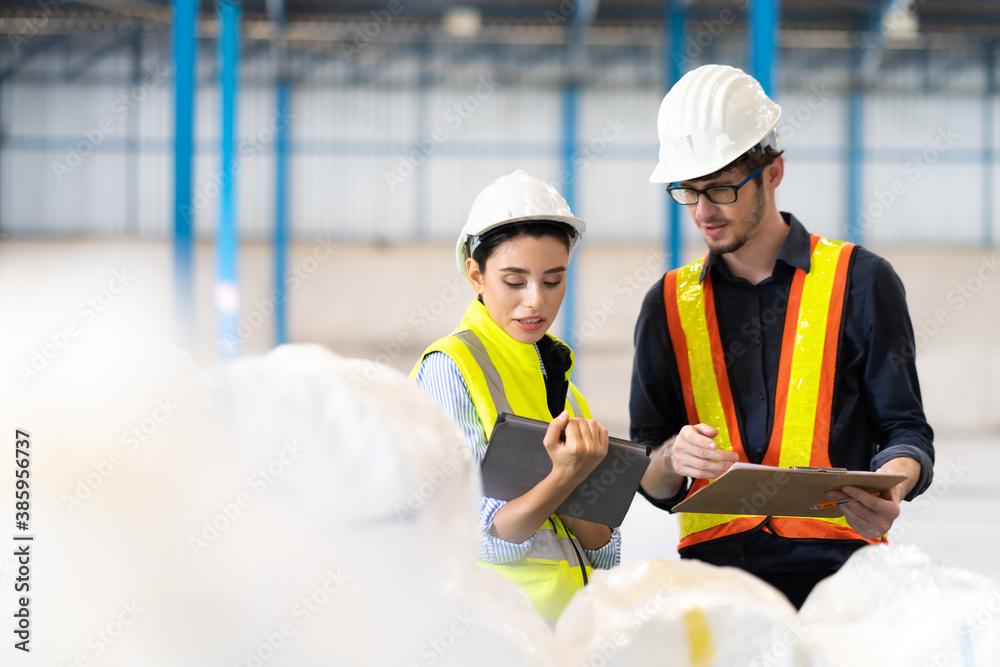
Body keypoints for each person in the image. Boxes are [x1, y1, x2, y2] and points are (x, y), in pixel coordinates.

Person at [631, 64, 934, 608]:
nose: (703, 211)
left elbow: (905, 430)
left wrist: (892, 488)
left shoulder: (861, 281)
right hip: (717, 590)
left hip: (842, 580)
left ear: (773, 172)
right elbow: (651, 476)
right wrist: (674, 456)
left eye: (721, 189)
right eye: (687, 192)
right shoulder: (667, 306)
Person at [411, 169, 621, 622]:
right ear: (476, 275)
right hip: (487, 636)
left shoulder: (567, 392)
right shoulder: (451, 369)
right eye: (514, 281)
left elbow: (605, 552)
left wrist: (575, 485)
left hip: (566, 632)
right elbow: (476, 536)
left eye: (552, 281)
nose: (536, 302)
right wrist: (564, 480)